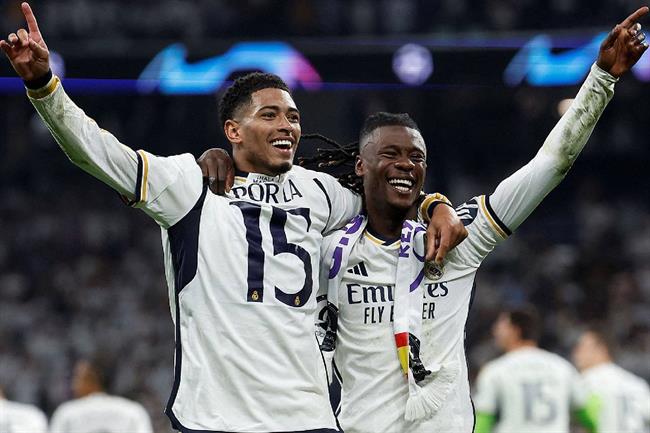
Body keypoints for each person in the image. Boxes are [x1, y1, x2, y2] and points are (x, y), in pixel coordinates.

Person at [0, 3, 465, 432]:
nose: (288, 126)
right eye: (270, 115)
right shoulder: (188, 183)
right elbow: (97, 152)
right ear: (233, 130)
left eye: (293, 117)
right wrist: (44, 87)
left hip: (306, 416)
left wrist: (434, 205)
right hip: (217, 416)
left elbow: (387, 194)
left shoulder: (320, 191)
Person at [314, 8, 649, 432]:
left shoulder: (455, 239)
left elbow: (550, 165)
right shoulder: (330, 253)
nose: (406, 164)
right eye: (390, 154)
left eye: (417, 157)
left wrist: (601, 80)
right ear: (361, 166)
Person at [473, 307, 591, 433]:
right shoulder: (562, 367)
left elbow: (483, 420)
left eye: (500, 327)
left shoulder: (496, 370)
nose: (495, 331)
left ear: (515, 330)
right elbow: (587, 414)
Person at [572, 327, 650, 433]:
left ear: (602, 349)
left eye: (581, 347)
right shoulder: (637, 384)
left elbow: (585, 421)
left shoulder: (586, 381)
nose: (576, 353)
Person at [49, 358, 153, 433]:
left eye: (77, 378)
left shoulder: (67, 412)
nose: (73, 385)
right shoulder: (133, 410)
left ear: (93, 378)